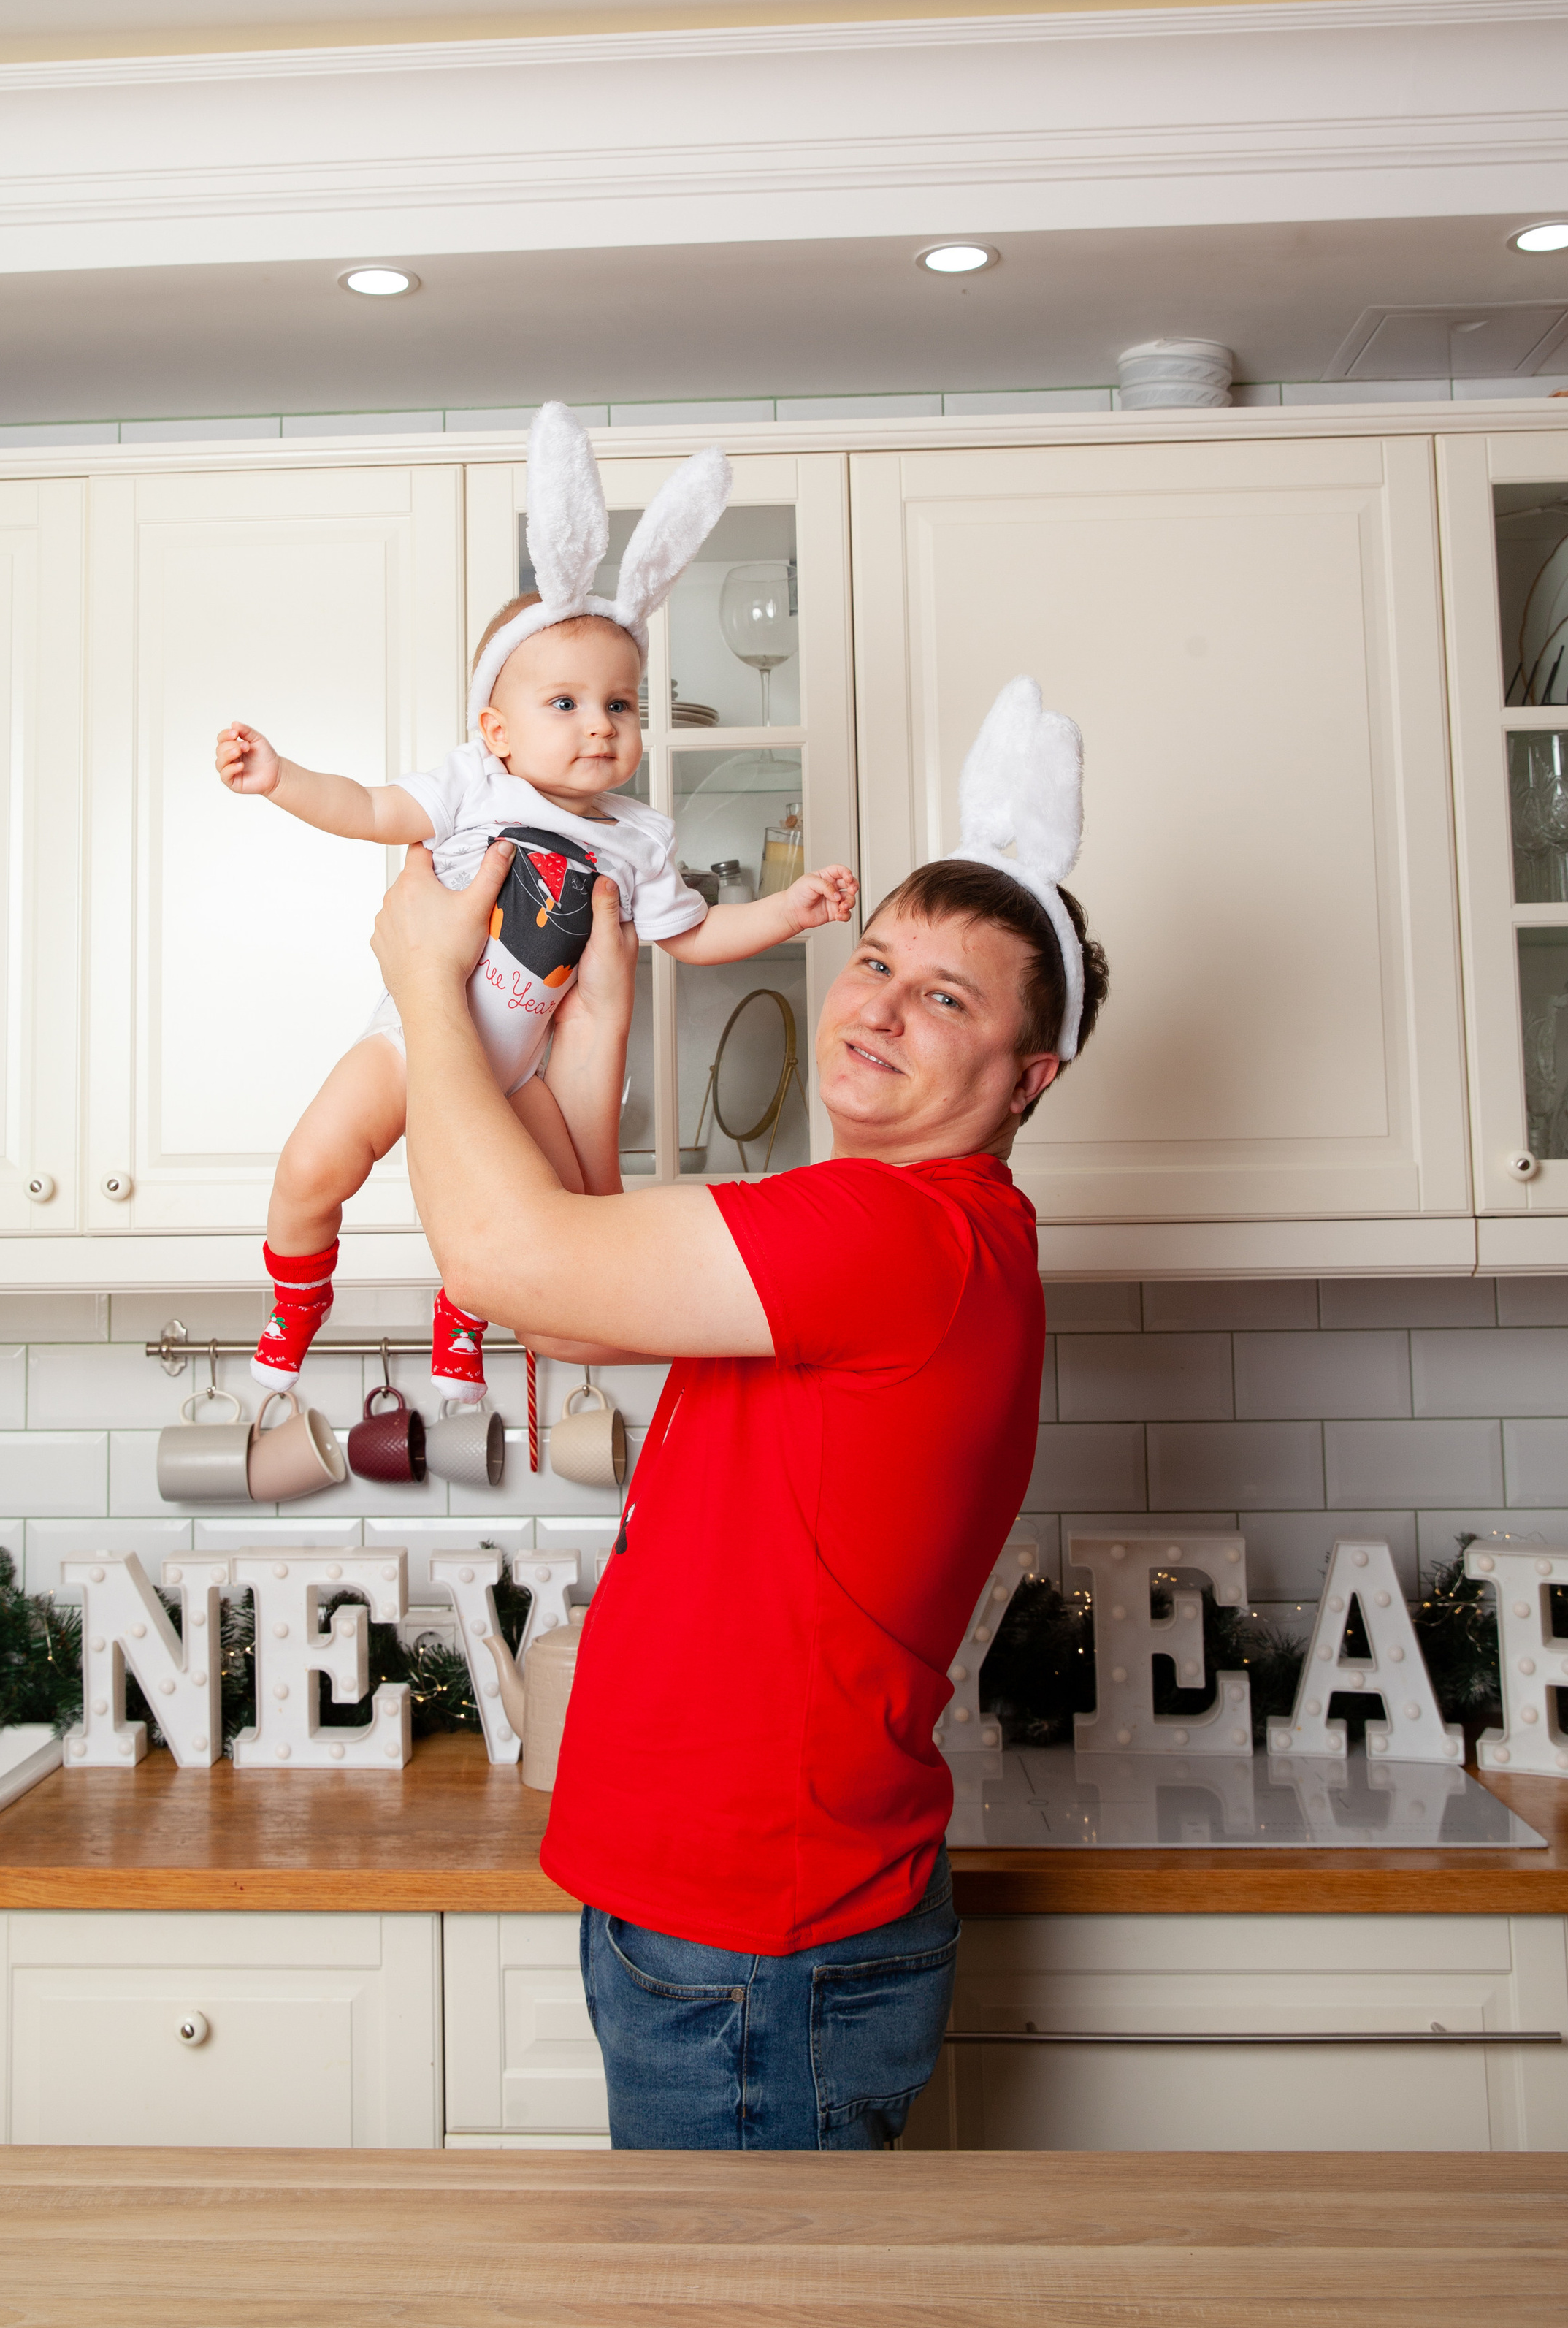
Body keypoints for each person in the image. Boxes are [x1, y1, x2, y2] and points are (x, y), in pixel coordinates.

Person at [369, 674, 1107, 2151]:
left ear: (1028, 1077)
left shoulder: (898, 1234)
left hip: (762, 1949)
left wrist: (419, 986)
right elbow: (571, 1291)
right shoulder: (891, 1231)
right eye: (875, 960)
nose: (877, 1004)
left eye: (942, 997)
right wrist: (601, 1004)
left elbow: (502, 1257)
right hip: (722, 1923)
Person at [215, 404, 855, 1397]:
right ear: (496, 729)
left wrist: (793, 910)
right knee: (307, 1171)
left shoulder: (640, 837)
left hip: (521, 1075)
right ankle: (298, 1304)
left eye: (620, 705)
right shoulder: (473, 786)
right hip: (409, 1038)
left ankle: (460, 1317)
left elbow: (695, 934)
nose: (599, 728)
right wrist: (281, 775)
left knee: (539, 1223)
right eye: (563, 703)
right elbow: (373, 808)